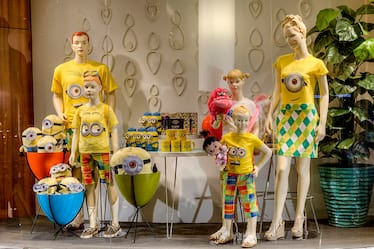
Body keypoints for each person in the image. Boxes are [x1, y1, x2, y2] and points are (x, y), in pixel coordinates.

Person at [264, 15, 329, 240]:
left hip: (307, 118)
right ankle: (277, 222)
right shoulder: (282, 61)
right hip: (286, 118)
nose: (290, 40)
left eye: (292, 35)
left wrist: (322, 124)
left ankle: (299, 219)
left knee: (302, 170)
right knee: (282, 169)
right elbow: (277, 91)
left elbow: (325, 94)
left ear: (302, 33)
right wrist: (269, 115)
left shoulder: (316, 64)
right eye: (286, 37)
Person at [51, 31, 118, 229]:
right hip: (73, 126)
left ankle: (107, 220)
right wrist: (60, 112)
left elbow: (111, 92)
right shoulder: (61, 70)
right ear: (71, 45)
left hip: (97, 127)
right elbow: (56, 94)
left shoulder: (100, 68)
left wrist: (107, 115)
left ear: (89, 44)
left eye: (84, 42)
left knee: (103, 173)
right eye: (77, 43)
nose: (80, 46)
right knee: (77, 171)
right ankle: (78, 216)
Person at [210, 105, 272, 248]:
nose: (241, 123)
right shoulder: (227, 137)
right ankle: (227, 230)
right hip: (230, 175)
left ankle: (251, 233)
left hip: (246, 175)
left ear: (249, 121)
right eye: (238, 120)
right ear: (233, 119)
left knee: (249, 204)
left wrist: (258, 167)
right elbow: (218, 151)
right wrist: (221, 161)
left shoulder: (251, 138)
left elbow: (268, 152)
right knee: (228, 203)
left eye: (244, 120)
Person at [69, 71, 121, 239]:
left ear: (100, 88)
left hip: (103, 152)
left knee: (109, 184)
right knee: (89, 186)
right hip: (85, 154)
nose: (89, 90)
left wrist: (116, 152)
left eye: (92, 86)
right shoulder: (80, 111)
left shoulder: (106, 110)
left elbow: (114, 131)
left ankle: (115, 223)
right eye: (86, 87)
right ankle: (92, 224)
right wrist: (72, 152)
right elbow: (76, 133)